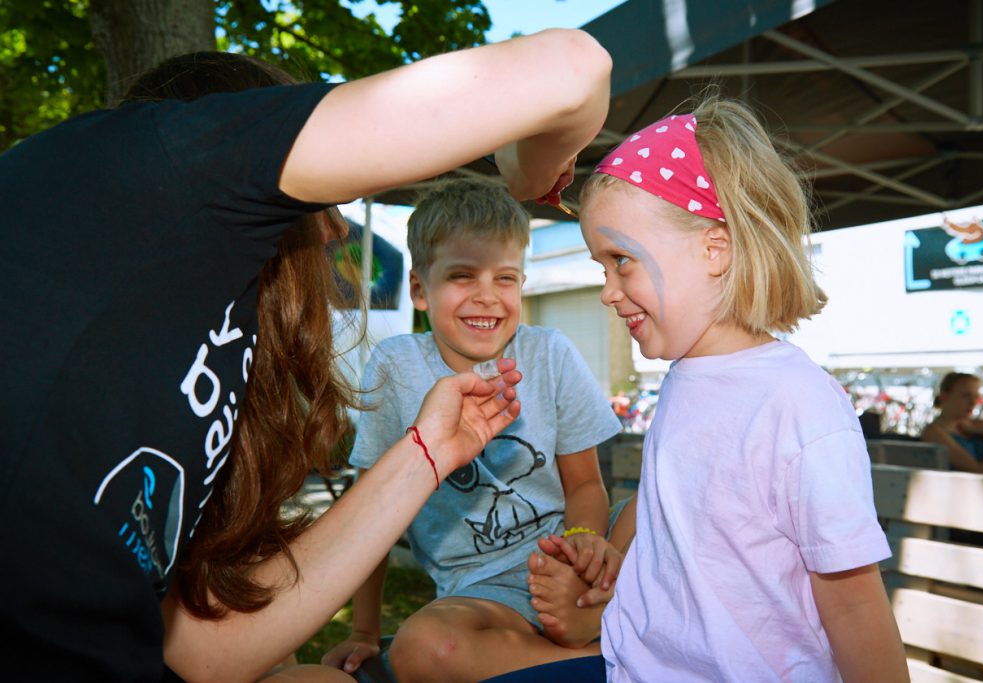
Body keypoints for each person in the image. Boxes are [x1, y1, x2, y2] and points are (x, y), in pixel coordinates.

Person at [0, 30, 612, 682]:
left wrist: (425, 455)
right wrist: (521, 169)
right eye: (320, 200)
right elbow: (572, 69)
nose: (337, 226)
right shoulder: (176, 155)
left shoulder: (177, 335)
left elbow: (204, 652)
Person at [484, 95, 910, 683]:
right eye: (600, 267)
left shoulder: (798, 405)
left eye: (621, 261)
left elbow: (854, 600)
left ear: (716, 248)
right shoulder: (689, 375)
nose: (608, 291)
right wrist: (610, 548)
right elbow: (666, 495)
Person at [319, 178, 624, 683]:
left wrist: (583, 547)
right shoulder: (396, 367)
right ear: (420, 289)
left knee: (654, 507)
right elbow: (373, 513)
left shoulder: (549, 352)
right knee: (421, 649)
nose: (488, 298)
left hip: (569, 551)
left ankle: (590, 618)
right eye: (463, 276)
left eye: (505, 279)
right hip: (480, 589)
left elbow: (586, 485)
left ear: (521, 285)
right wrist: (365, 631)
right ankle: (622, 654)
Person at [921, 372, 983, 474]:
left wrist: (977, 429)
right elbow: (980, 472)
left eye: (975, 396)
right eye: (966, 396)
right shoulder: (933, 433)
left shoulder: (972, 424)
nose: (973, 402)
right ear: (944, 397)